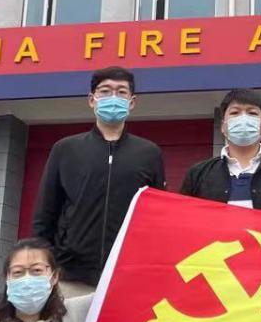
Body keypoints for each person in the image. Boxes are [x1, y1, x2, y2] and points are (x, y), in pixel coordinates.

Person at [32, 67, 166, 297]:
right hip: (72, 277)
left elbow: (157, 218)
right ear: (91, 100)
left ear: (132, 102)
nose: (113, 98)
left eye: (121, 92)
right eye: (105, 91)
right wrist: (43, 265)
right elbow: (45, 214)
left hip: (128, 277)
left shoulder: (149, 153)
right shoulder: (66, 149)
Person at [180, 88, 261, 212]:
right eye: (235, 113)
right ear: (223, 126)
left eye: (252, 113)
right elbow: (182, 216)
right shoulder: (197, 174)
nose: (243, 119)